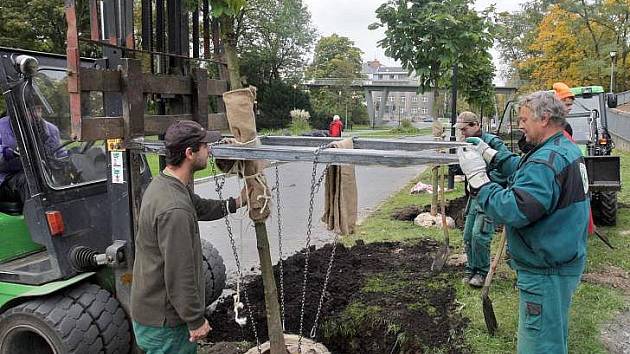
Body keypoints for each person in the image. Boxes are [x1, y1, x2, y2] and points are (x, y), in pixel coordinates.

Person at [459, 91, 589, 353]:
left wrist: (479, 181)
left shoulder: (546, 161)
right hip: (560, 261)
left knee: (539, 345)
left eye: (524, 119)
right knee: (552, 335)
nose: (519, 125)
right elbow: (524, 168)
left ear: (543, 119)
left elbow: (514, 209)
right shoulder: (561, 148)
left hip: (546, 270)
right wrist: (491, 154)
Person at [131, 120, 245, 354]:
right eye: (205, 146)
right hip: (166, 323)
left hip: (155, 315)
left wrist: (237, 202)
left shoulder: (165, 185)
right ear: (189, 153)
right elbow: (179, 272)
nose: (209, 150)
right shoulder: (174, 210)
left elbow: (200, 207)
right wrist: (195, 320)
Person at [455, 111, 509, 287]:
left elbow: (504, 168)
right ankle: (471, 269)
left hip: (490, 196)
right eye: (460, 130)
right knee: (468, 235)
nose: (462, 133)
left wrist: (484, 178)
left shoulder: (493, 142)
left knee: (480, 235)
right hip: (474, 196)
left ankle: (482, 272)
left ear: (476, 125)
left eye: (464, 129)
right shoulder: (466, 144)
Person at [0, 105, 65, 206]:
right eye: (31, 110)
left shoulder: (51, 130)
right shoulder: (2, 127)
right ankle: (40, 219)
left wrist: (68, 160)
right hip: (7, 177)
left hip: (43, 173)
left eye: (38, 109)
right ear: (18, 110)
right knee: (32, 180)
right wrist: (8, 152)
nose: (36, 114)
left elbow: (60, 154)